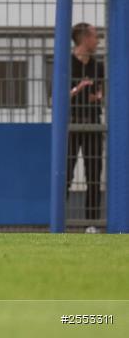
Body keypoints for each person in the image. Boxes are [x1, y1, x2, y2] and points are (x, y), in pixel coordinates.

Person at [68, 22, 105, 232]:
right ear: (84, 38)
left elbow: (99, 93)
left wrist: (96, 96)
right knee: (65, 174)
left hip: (92, 123)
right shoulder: (66, 63)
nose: (98, 40)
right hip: (71, 122)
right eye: (95, 36)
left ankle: (91, 224)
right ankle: (59, 221)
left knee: (94, 174)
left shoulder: (98, 65)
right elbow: (56, 97)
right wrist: (78, 88)